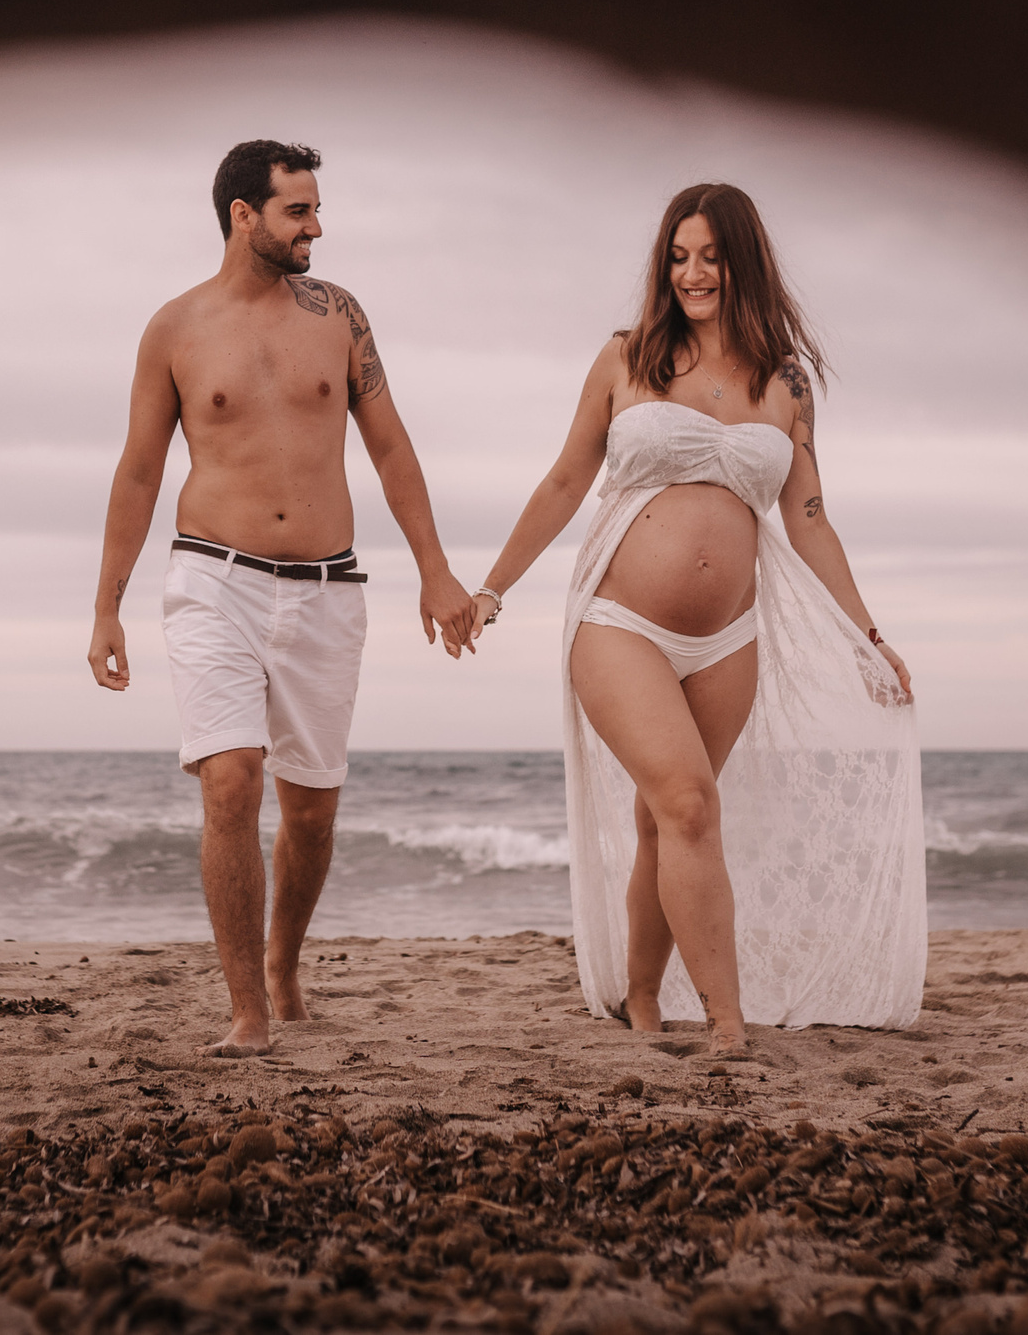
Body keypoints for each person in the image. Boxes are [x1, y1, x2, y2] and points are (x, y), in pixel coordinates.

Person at [469, 182, 925, 1053]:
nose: (692, 273)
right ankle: (726, 1020)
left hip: (728, 639)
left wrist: (869, 636)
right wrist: (493, 590)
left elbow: (809, 517)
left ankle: (641, 994)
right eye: (678, 256)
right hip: (619, 624)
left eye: (710, 255)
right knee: (687, 802)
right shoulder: (626, 357)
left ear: (742, 261)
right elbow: (567, 480)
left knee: (662, 819)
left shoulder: (786, 383)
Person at [88, 139, 476, 1057]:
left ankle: (283, 965)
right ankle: (247, 1014)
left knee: (310, 808)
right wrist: (106, 605)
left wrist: (436, 568)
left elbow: (391, 447)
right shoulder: (174, 329)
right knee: (231, 782)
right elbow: (140, 472)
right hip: (210, 576)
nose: (317, 227)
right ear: (243, 215)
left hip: (326, 589)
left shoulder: (338, 316)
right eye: (298, 210)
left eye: (315, 209)